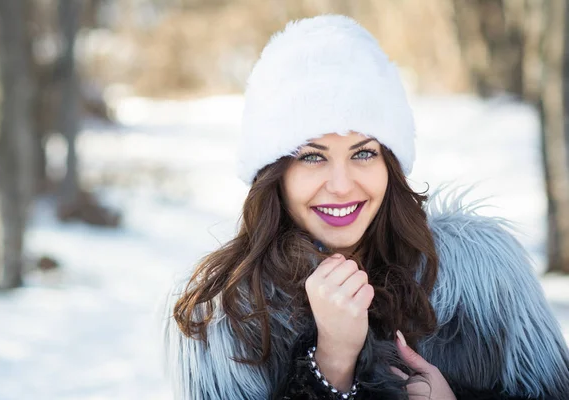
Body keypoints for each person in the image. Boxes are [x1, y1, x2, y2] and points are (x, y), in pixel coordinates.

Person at [164, 14, 569, 400]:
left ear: (390, 162)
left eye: (363, 153)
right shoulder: (227, 317)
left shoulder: (485, 279)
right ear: (275, 173)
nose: (341, 186)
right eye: (311, 157)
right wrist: (333, 364)